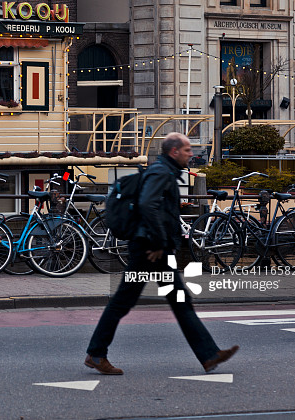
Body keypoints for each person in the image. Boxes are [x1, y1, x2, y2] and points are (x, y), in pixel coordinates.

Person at [85, 132, 238, 375]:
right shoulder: (161, 172)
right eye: (187, 150)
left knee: (178, 302)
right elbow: (147, 205)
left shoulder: (164, 171)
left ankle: (209, 354)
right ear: (174, 151)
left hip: (155, 249)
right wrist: (157, 241)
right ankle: (96, 352)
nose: (191, 154)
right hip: (150, 250)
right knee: (128, 302)